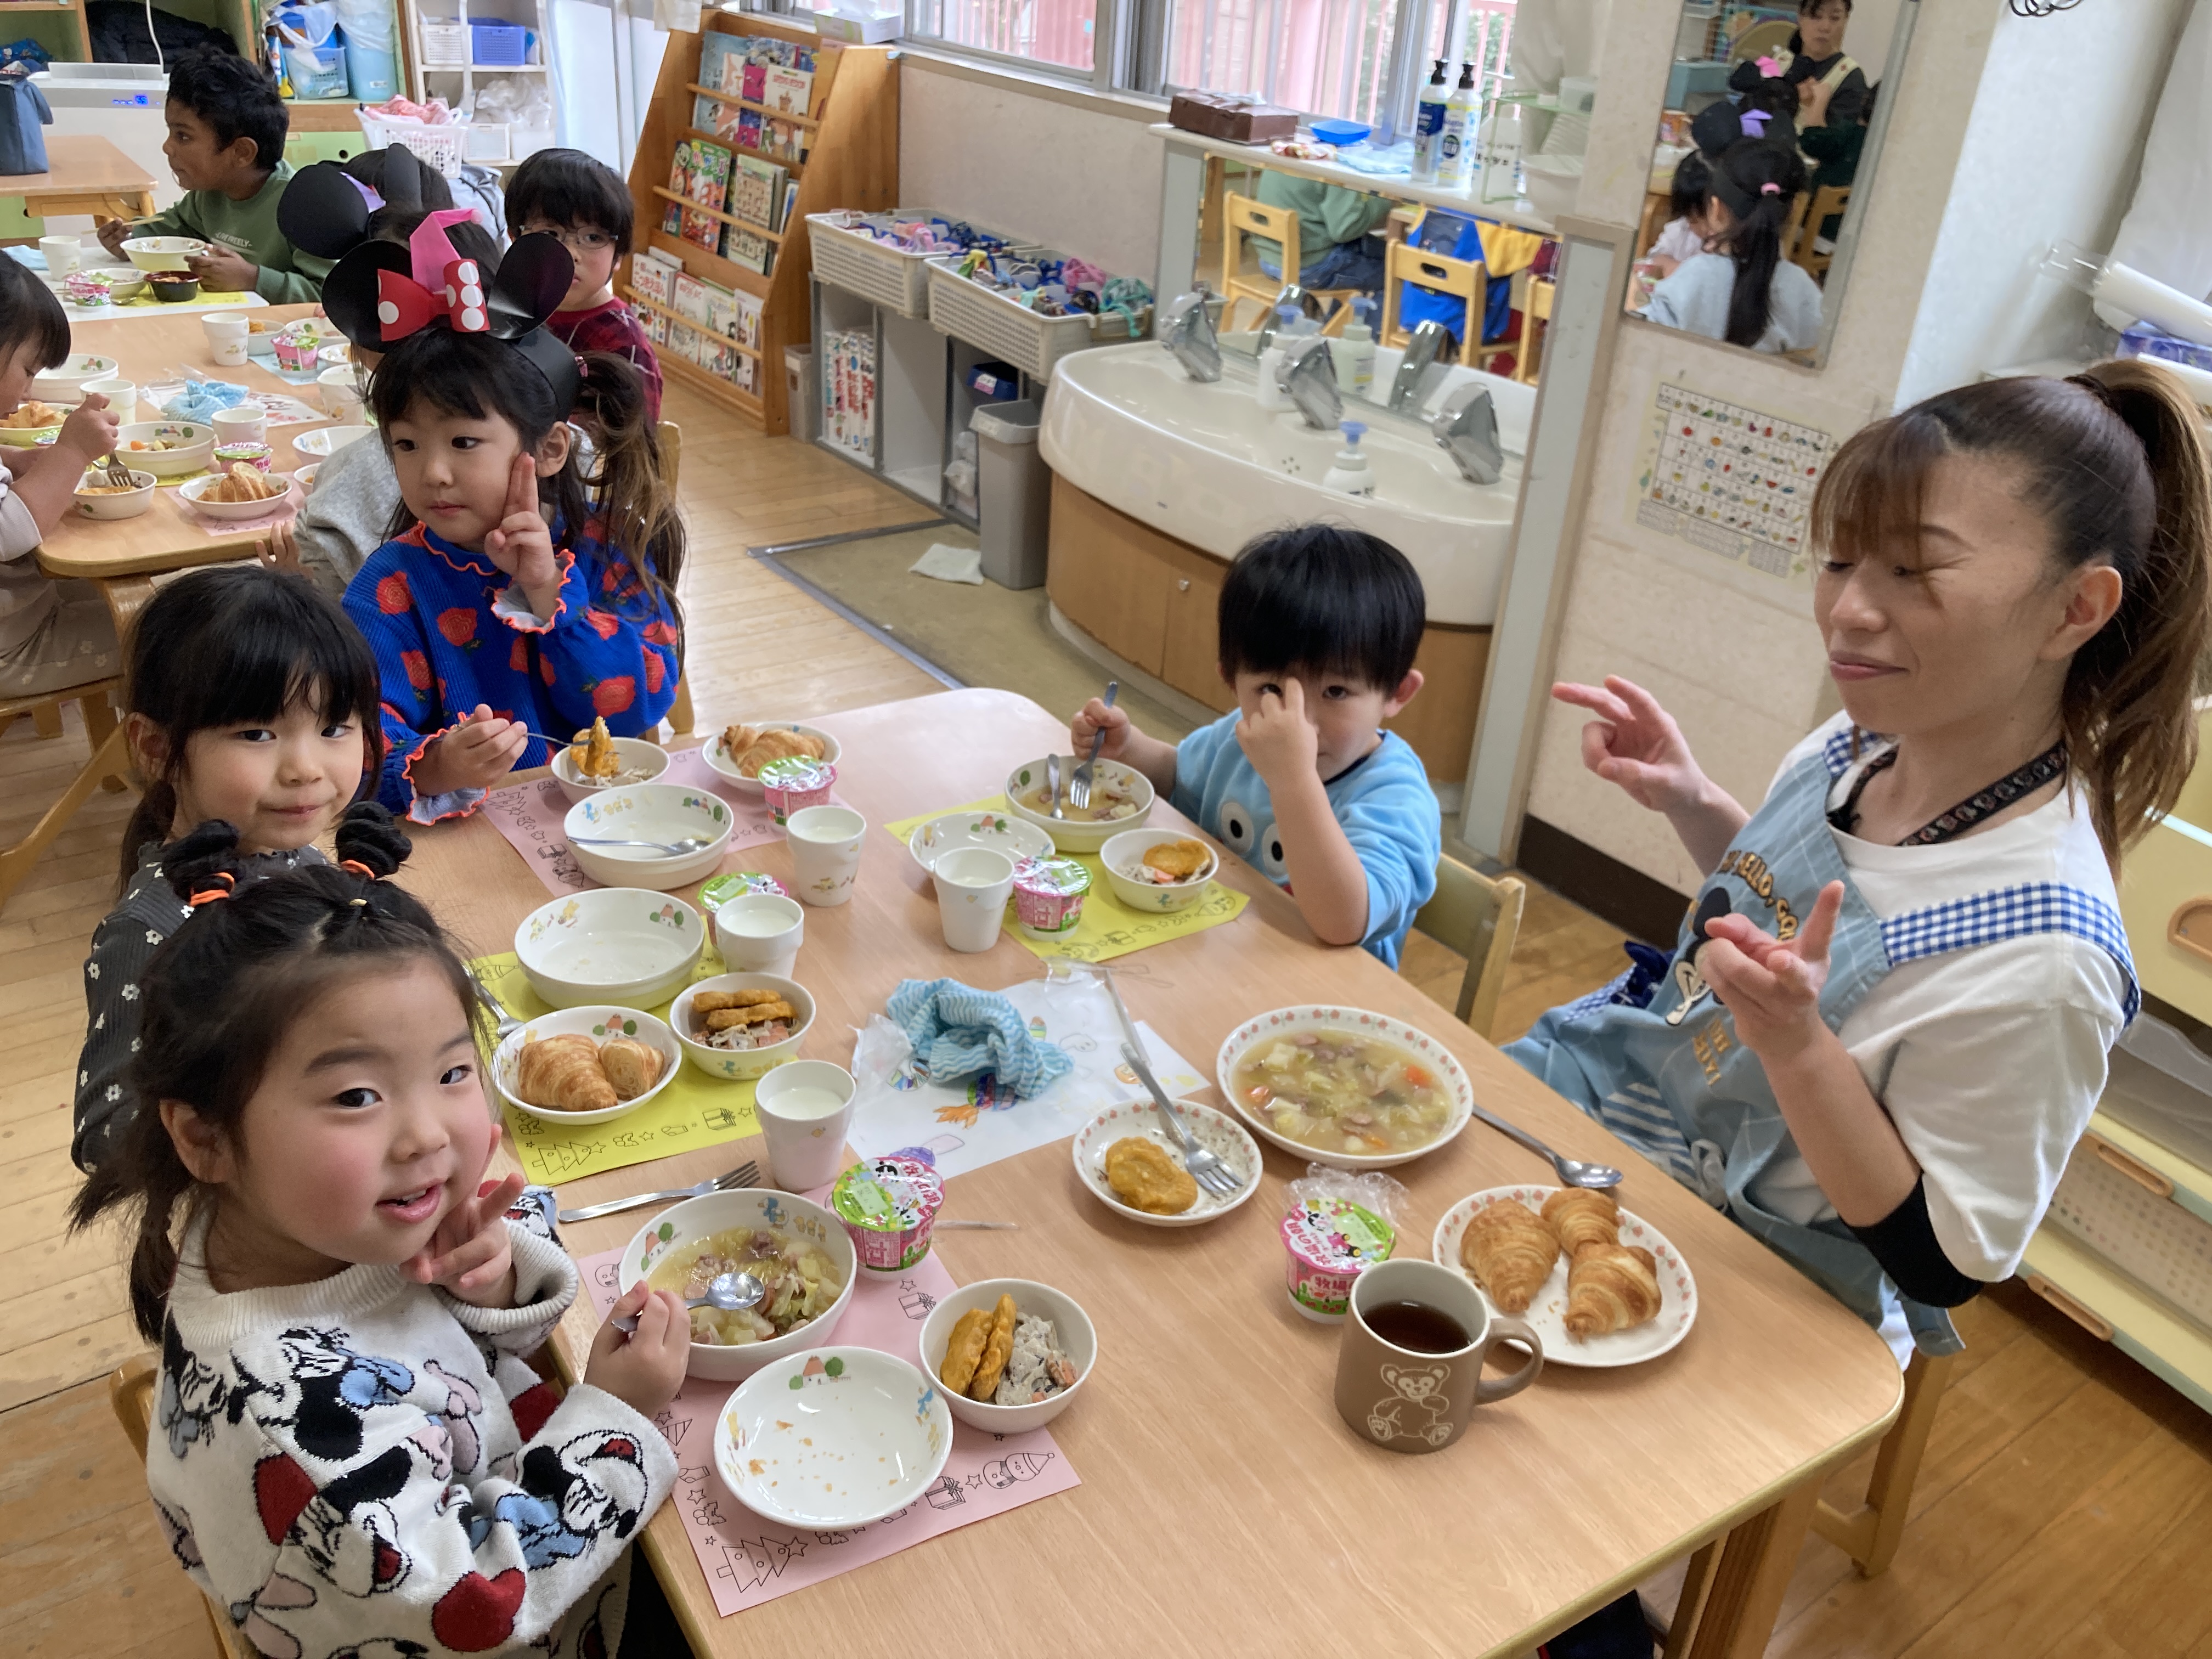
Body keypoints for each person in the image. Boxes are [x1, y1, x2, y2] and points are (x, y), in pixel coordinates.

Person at [1511, 360, 2209, 1374]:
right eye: (1840, 560)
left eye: (1913, 571)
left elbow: (1940, 1259)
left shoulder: (2048, 956)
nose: (1847, 609)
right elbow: (1791, 916)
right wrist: (1692, 799)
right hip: (1622, 1114)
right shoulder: (1860, 742)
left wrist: (1797, 1048)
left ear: (2076, 609)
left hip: (1772, 1274)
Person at [67, 817, 693, 1656]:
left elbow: (458, 1347)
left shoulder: (314, 1222)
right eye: (357, 1096)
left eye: (452, 1072)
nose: (428, 1134)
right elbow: (478, 1605)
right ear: (204, 1137)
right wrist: (616, 1420)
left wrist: (492, 1280)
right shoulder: (291, 1433)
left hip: (521, 1484)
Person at [321, 218, 684, 821]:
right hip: (470, 842)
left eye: (464, 442)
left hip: (609, 824)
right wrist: (437, 766)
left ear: (550, 449)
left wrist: (547, 589)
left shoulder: (605, 545)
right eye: (406, 445)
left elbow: (637, 707)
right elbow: (345, 744)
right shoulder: (390, 585)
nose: (433, 472)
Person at [72, 567, 384, 1173]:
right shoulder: (153, 931)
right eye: (257, 733)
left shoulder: (298, 860)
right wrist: (257, 1135)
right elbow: (106, 1136)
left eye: (333, 728)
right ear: (156, 748)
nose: (305, 768)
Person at [1070, 525, 1440, 966]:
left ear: (1397, 692)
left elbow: (1342, 923)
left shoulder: (1395, 798)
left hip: (1319, 990)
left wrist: (1292, 779)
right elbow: (1179, 779)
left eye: (1336, 692)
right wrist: (1130, 749)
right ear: (1231, 680)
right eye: (1271, 689)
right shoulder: (1244, 735)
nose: (1299, 722)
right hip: (1215, 953)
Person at [94, 48, 332, 304]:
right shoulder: (209, 194)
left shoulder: (305, 207)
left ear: (242, 152)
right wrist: (130, 240)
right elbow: (171, 229)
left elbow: (332, 294)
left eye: (183, 136)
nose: (167, 147)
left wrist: (253, 279)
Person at [0, 259, 121, 698]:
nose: (29, 391)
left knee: (160, 600)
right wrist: (72, 452)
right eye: (29, 370)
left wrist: (14, 459)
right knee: (183, 639)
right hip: (13, 649)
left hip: (25, 607)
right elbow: (9, 531)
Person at [506, 148, 663, 422]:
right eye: (550, 233)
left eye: (593, 238)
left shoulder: (623, 344)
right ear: (514, 239)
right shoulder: (509, 307)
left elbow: (632, 439)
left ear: (618, 256)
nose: (570, 254)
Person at [1645, 139, 1821, 352]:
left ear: (1716, 209)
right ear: (1791, 211)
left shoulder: (1696, 277)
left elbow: (1645, 339)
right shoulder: (1802, 288)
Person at [1732, 0, 1870, 140]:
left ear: (1846, 20)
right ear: (1800, 17)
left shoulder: (1849, 76)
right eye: (1816, 16)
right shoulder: (1780, 60)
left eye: (1835, 18)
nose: (1825, 27)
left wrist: (1816, 108)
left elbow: (1839, 143)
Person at [1246, 169, 1394, 298]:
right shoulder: (1337, 168)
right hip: (1307, 267)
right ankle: (1362, 324)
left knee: (1387, 253)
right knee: (1395, 276)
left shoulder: (1284, 154)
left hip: (1269, 258)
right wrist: (1384, 201)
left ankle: (1336, 320)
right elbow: (1345, 230)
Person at [1643, 150, 1711, 279]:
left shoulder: (1728, 246)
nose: (1704, 228)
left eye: (1707, 218)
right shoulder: (1682, 230)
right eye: (1693, 220)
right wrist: (1671, 266)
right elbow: (1655, 258)